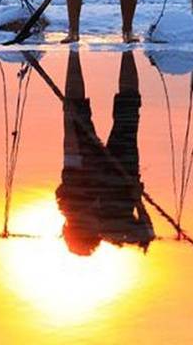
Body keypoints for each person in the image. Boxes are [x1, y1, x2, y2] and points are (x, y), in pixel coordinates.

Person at [56, 50, 155, 256]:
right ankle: (127, 48)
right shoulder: (116, 228)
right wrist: (138, 201)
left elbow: (71, 160)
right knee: (128, 109)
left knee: (76, 106)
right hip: (122, 174)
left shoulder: (70, 205)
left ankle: (74, 52)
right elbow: (147, 232)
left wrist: (70, 120)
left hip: (86, 162)